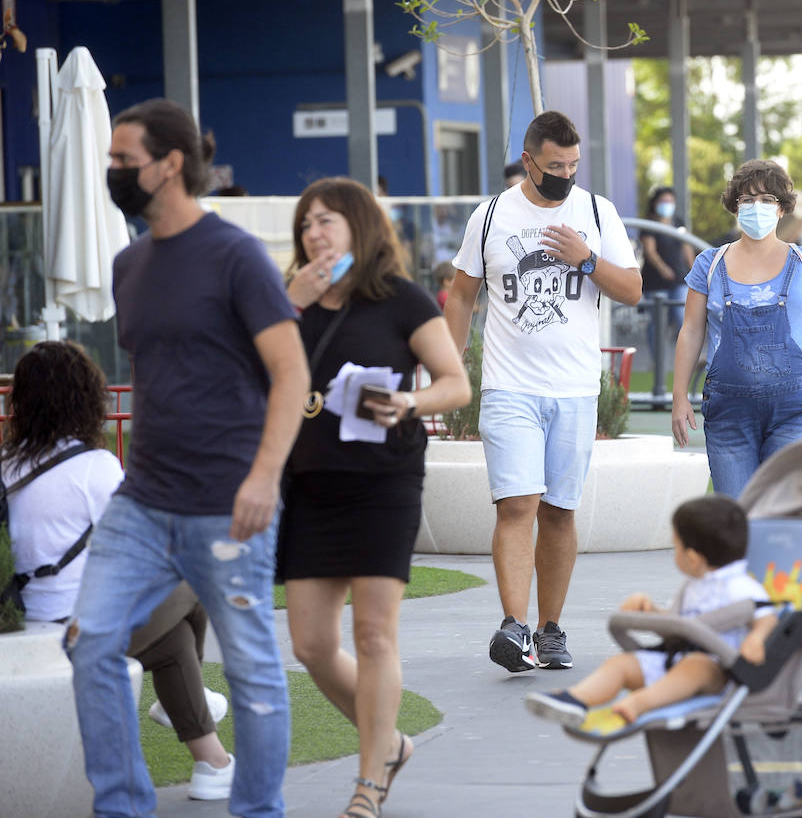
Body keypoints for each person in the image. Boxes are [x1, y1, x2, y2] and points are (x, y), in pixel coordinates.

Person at [67, 98, 309, 818]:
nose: (111, 172)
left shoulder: (235, 257)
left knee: (255, 676)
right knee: (91, 645)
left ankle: (258, 810)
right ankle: (123, 807)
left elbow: (291, 373)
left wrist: (264, 478)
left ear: (170, 165)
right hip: (141, 505)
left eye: (122, 161)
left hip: (228, 505)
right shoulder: (127, 264)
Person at [279, 177, 471, 818]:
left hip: (383, 482)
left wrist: (409, 403)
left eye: (327, 220)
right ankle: (386, 741)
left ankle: (368, 784)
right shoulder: (287, 302)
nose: (314, 233)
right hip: (309, 484)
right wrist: (289, 306)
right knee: (308, 643)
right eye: (306, 223)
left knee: (373, 635)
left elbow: (455, 385)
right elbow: (252, 376)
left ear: (361, 226)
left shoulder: (401, 301)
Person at [445, 111, 642, 674]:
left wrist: (587, 257)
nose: (566, 174)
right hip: (510, 386)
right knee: (517, 505)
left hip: (576, 389)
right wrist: (448, 366)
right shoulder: (491, 217)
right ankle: (515, 626)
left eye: (574, 165)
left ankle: (550, 629)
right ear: (528, 161)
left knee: (559, 512)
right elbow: (461, 296)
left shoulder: (598, 212)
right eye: (555, 165)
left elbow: (630, 289)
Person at [6, 341, 237, 802]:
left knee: (169, 639)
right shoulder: (97, 468)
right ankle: (204, 743)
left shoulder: (8, 467)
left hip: (28, 629)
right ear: (87, 398)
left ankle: (212, 760)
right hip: (84, 635)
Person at [672, 159, 802, 497]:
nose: (758, 207)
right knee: (737, 517)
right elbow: (691, 332)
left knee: (788, 510)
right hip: (728, 410)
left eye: (767, 199)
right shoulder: (708, 265)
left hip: (797, 407)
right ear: (735, 207)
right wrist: (679, 397)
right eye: (748, 199)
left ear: (782, 209)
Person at [523, 495, 776, 731]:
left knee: (696, 665)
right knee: (621, 664)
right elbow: (678, 624)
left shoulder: (741, 586)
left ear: (692, 558)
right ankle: (575, 700)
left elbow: (767, 616)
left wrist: (757, 638)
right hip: (675, 660)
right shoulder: (692, 587)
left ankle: (636, 706)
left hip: (721, 672)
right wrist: (651, 611)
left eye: (675, 545)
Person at [639, 185, 696, 360]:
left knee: (681, 317)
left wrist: (695, 270)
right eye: (663, 201)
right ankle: (657, 362)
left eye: (670, 201)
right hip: (656, 281)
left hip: (680, 279)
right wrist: (663, 269)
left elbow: (687, 248)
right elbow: (650, 251)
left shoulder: (678, 222)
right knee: (657, 322)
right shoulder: (648, 224)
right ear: (655, 203)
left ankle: (684, 358)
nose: (667, 204)